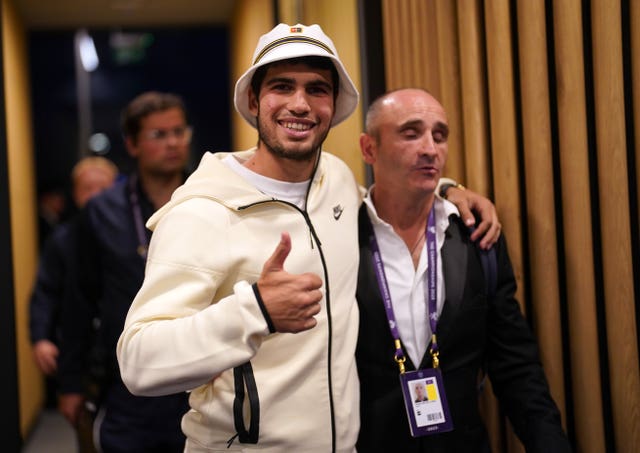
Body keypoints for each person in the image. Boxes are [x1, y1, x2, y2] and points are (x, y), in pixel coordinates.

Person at [116, 24, 500, 453]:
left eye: (317, 89)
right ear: (254, 101)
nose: (300, 104)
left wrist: (447, 189)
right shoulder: (203, 212)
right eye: (282, 86)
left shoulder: (334, 179)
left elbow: (381, 200)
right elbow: (138, 362)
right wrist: (255, 310)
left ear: (333, 107)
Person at [355, 88, 571, 452]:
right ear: (369, 148)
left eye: (439, 136)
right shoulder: (341, 237)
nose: (430, 148)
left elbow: (514, 366)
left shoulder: (476, 235)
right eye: (411, 133)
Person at [58, 92, 192, 452]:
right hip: (128, 385)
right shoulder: (101, 212)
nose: (173, 142)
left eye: (179, 131)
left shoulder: (208, 201)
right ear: (132, 144)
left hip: (200, 379)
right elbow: (79, 300)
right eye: (158, 135)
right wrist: (70, 383)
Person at [30, 156, 118, 405]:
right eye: (87, 188)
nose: (95, 196)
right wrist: (41, 337)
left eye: (102, 188)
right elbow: (46, 291)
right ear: (76, 194)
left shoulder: (135, 233)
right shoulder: (62, 239)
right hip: (81, 347)